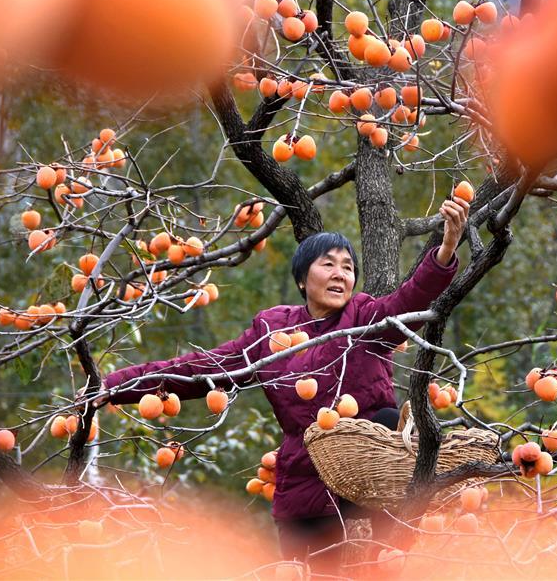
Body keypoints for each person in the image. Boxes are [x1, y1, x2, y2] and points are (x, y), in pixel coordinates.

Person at [97, 197, 469, 572]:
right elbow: (199, 368)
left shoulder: (365, 318)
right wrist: (113, 386)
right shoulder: (273, 331)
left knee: (391, 439)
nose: (341, 274)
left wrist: (446, 250)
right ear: (302, 279)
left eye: (348, 267)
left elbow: (410, 300)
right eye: (328, 264)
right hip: (306, 481)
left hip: (370, 464)